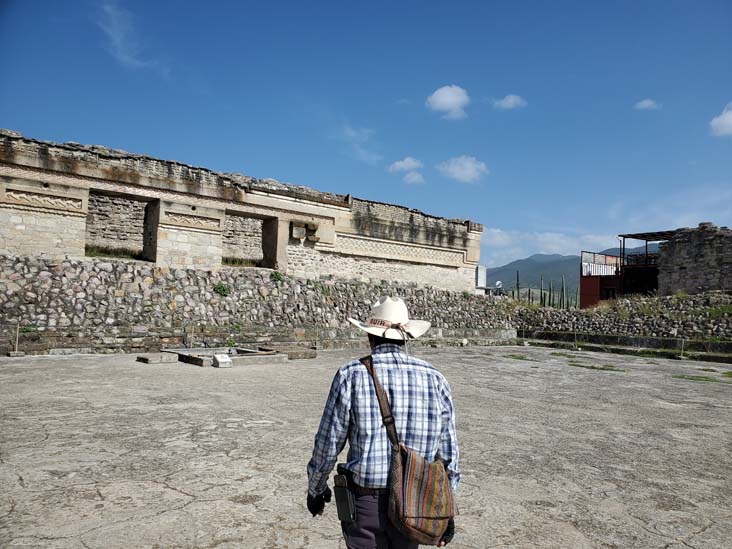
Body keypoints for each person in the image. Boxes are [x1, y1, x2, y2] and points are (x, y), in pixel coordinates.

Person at [306, 296, 460, 548]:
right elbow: (448, 454)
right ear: (406, 337)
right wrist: (446, 508)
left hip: (366, 503)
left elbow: (328, 443)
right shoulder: (436, 379)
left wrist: (315, 488)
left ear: (370, 336)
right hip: (416, 502)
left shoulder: (351, 374)